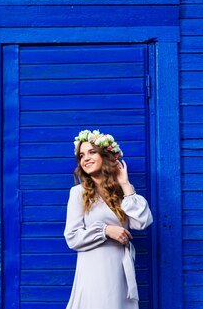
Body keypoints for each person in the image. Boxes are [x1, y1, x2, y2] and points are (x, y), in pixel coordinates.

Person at [64, 129, 153, 309]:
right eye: (81, 155)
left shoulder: (122, 193)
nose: (85, 158)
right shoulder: (78, 193)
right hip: (94, 271)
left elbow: (142, 222)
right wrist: (105, 230)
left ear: (106, 156)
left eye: (92, 152)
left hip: (119, 271)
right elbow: (72, 237)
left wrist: (126, 184)